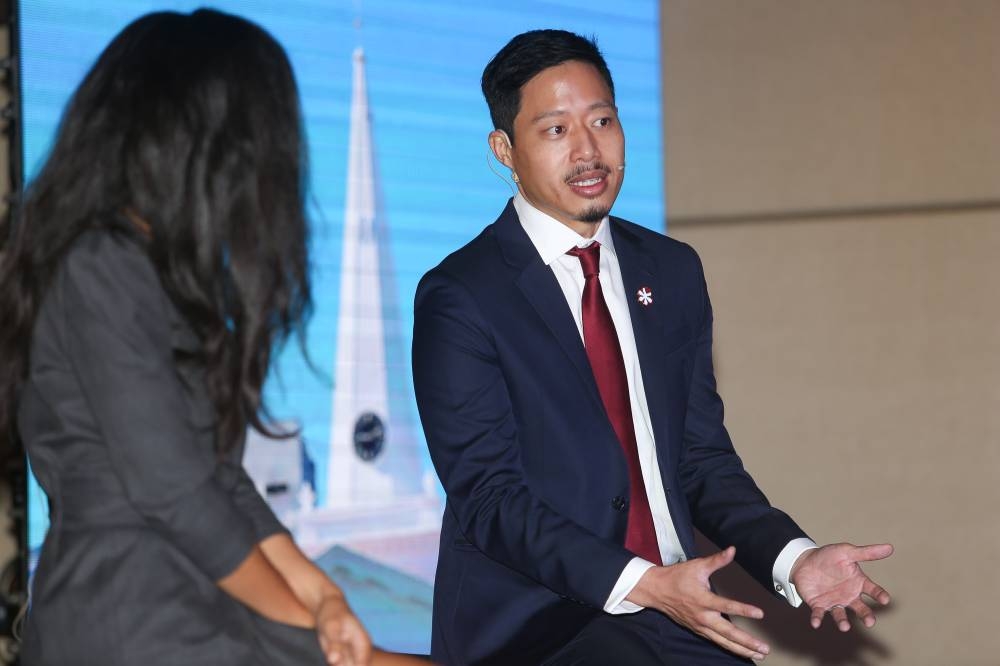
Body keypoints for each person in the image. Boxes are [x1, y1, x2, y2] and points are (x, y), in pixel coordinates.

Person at [412, 29, 893, 665]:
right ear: (505, 148)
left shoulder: (670, 270)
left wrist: (794, 558)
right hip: (543, 625)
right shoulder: (463, 293)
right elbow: (489, 496)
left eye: (603, 121)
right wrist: (644, 584)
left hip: (680, 606)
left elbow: (699, 461)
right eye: (556, 130)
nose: (588, 151)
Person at [0, 10, 426, 666]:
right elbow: (172, 487)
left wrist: (322, 596)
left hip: (183, 599)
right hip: (134, 616)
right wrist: (316, 633)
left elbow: (219, 481)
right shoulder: (101, 263)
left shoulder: (149, 273)